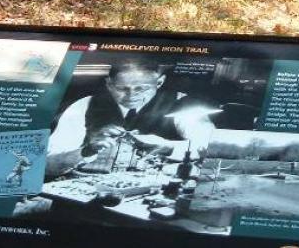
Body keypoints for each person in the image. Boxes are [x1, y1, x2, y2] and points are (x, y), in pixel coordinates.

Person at [45, 60, 216, 179]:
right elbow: (46, 166)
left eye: (142, 88)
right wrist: (85, 151)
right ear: (109, 83)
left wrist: (167, 146)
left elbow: (213, 150)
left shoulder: (184, 105)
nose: (131, 95)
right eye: (122, 88)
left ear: (159, 82)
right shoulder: (85, 104)